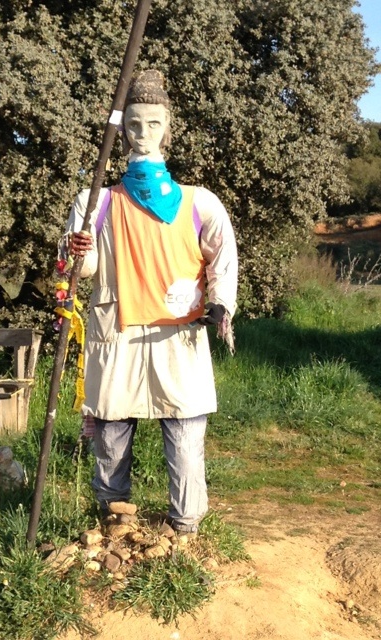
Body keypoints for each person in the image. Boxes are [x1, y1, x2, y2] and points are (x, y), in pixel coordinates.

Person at [63, 70, 238, 534]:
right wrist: (77, 249)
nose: (143, 133)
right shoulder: (96, 201)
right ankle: (113, 519)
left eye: (154, 123)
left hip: (178, 334)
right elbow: (85, 268)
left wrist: (221, 303)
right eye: (135, 124)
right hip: (117, 332)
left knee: (184, 434)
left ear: (167, 128)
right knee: (111, 433)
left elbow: (222, 256)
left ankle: (186, 526)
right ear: (122, 131)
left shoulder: (199, 202)